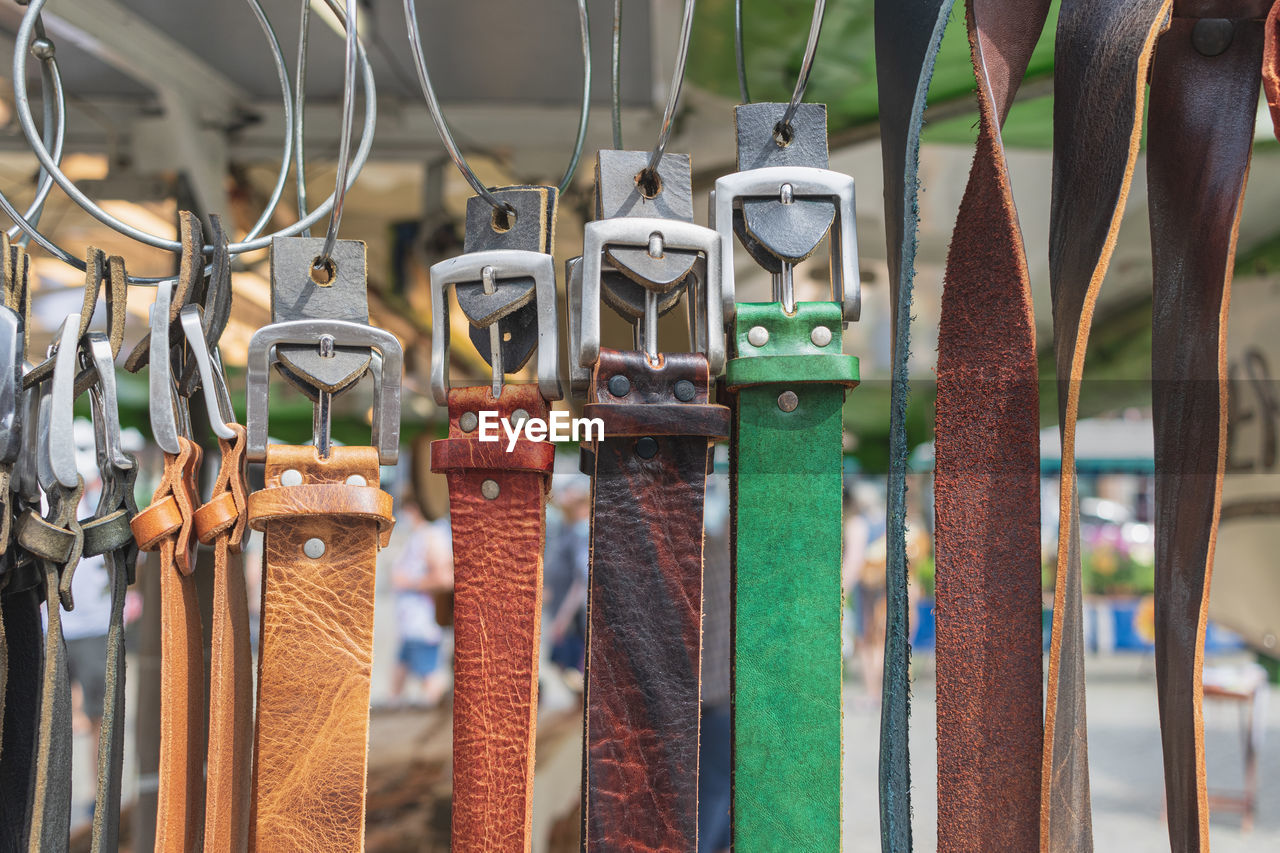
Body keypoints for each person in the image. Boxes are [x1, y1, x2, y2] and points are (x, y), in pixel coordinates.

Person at [388, 500, 452, 707]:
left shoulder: (431, 535)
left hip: (422, 622)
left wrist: (408, 582)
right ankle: (392, 708)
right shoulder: (424, 534)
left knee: (429, 677)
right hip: (412, 622)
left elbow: (444, 578)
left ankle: (443, 712)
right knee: (401, 670)